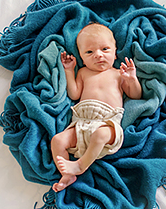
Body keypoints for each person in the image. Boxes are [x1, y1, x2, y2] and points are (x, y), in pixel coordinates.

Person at [51, 23, 142, 192]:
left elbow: (135, 95)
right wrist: (69, 71)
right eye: (89, 52)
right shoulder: (84, 72)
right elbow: (74, 94)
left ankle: (80, 165)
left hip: (107, 124)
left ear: (115, 53)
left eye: (105, 49)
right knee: (57, 140)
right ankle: (67, 175)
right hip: (81, 123)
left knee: (100, 133)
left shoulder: (117, 74)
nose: (98, 55)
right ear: (82, 58)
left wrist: (131, 79)